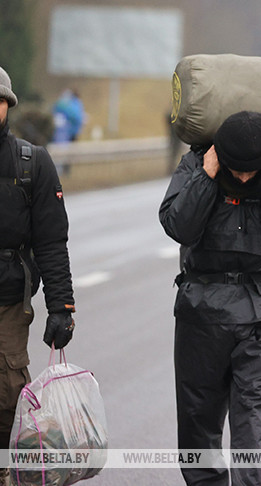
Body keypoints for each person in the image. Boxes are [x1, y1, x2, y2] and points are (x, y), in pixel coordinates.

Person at [159, 111, 261, 486]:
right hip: (202, 308)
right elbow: (177, 225)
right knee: (199, 414)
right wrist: (207, 175)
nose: (244, 177)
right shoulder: (198, 163)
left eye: (252, 170)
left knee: (254, 411)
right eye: (236, 169)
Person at [0, 66, 76, 483]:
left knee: (8, 391)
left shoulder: (33, 164)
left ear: (7, 107)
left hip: (8, 298)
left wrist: (61, 307)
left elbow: (51, 241)